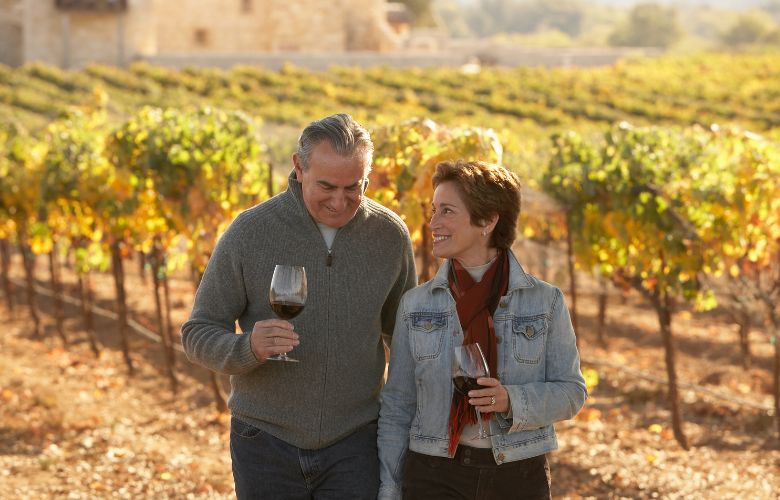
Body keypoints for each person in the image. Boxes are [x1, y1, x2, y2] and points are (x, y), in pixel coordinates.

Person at [181, 113, 417, 499]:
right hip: (264, 441)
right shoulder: (251, 232)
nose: (340, 201)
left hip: (355, 442)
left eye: (353, 187)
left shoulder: (389, 235)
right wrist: (247, 348)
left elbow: (405, 337)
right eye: (327, 185)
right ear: (299, 167)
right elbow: (197, 332)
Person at [378, 160, 587, 500]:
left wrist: (510, 400)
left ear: (488, 220)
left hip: (518, 474)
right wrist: (389, 488)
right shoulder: (416, 305)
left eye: (447, 211)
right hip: (433, 473)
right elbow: (398, 405)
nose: (433, 223)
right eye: (433, 210)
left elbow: (572, 392)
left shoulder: (544, 302)